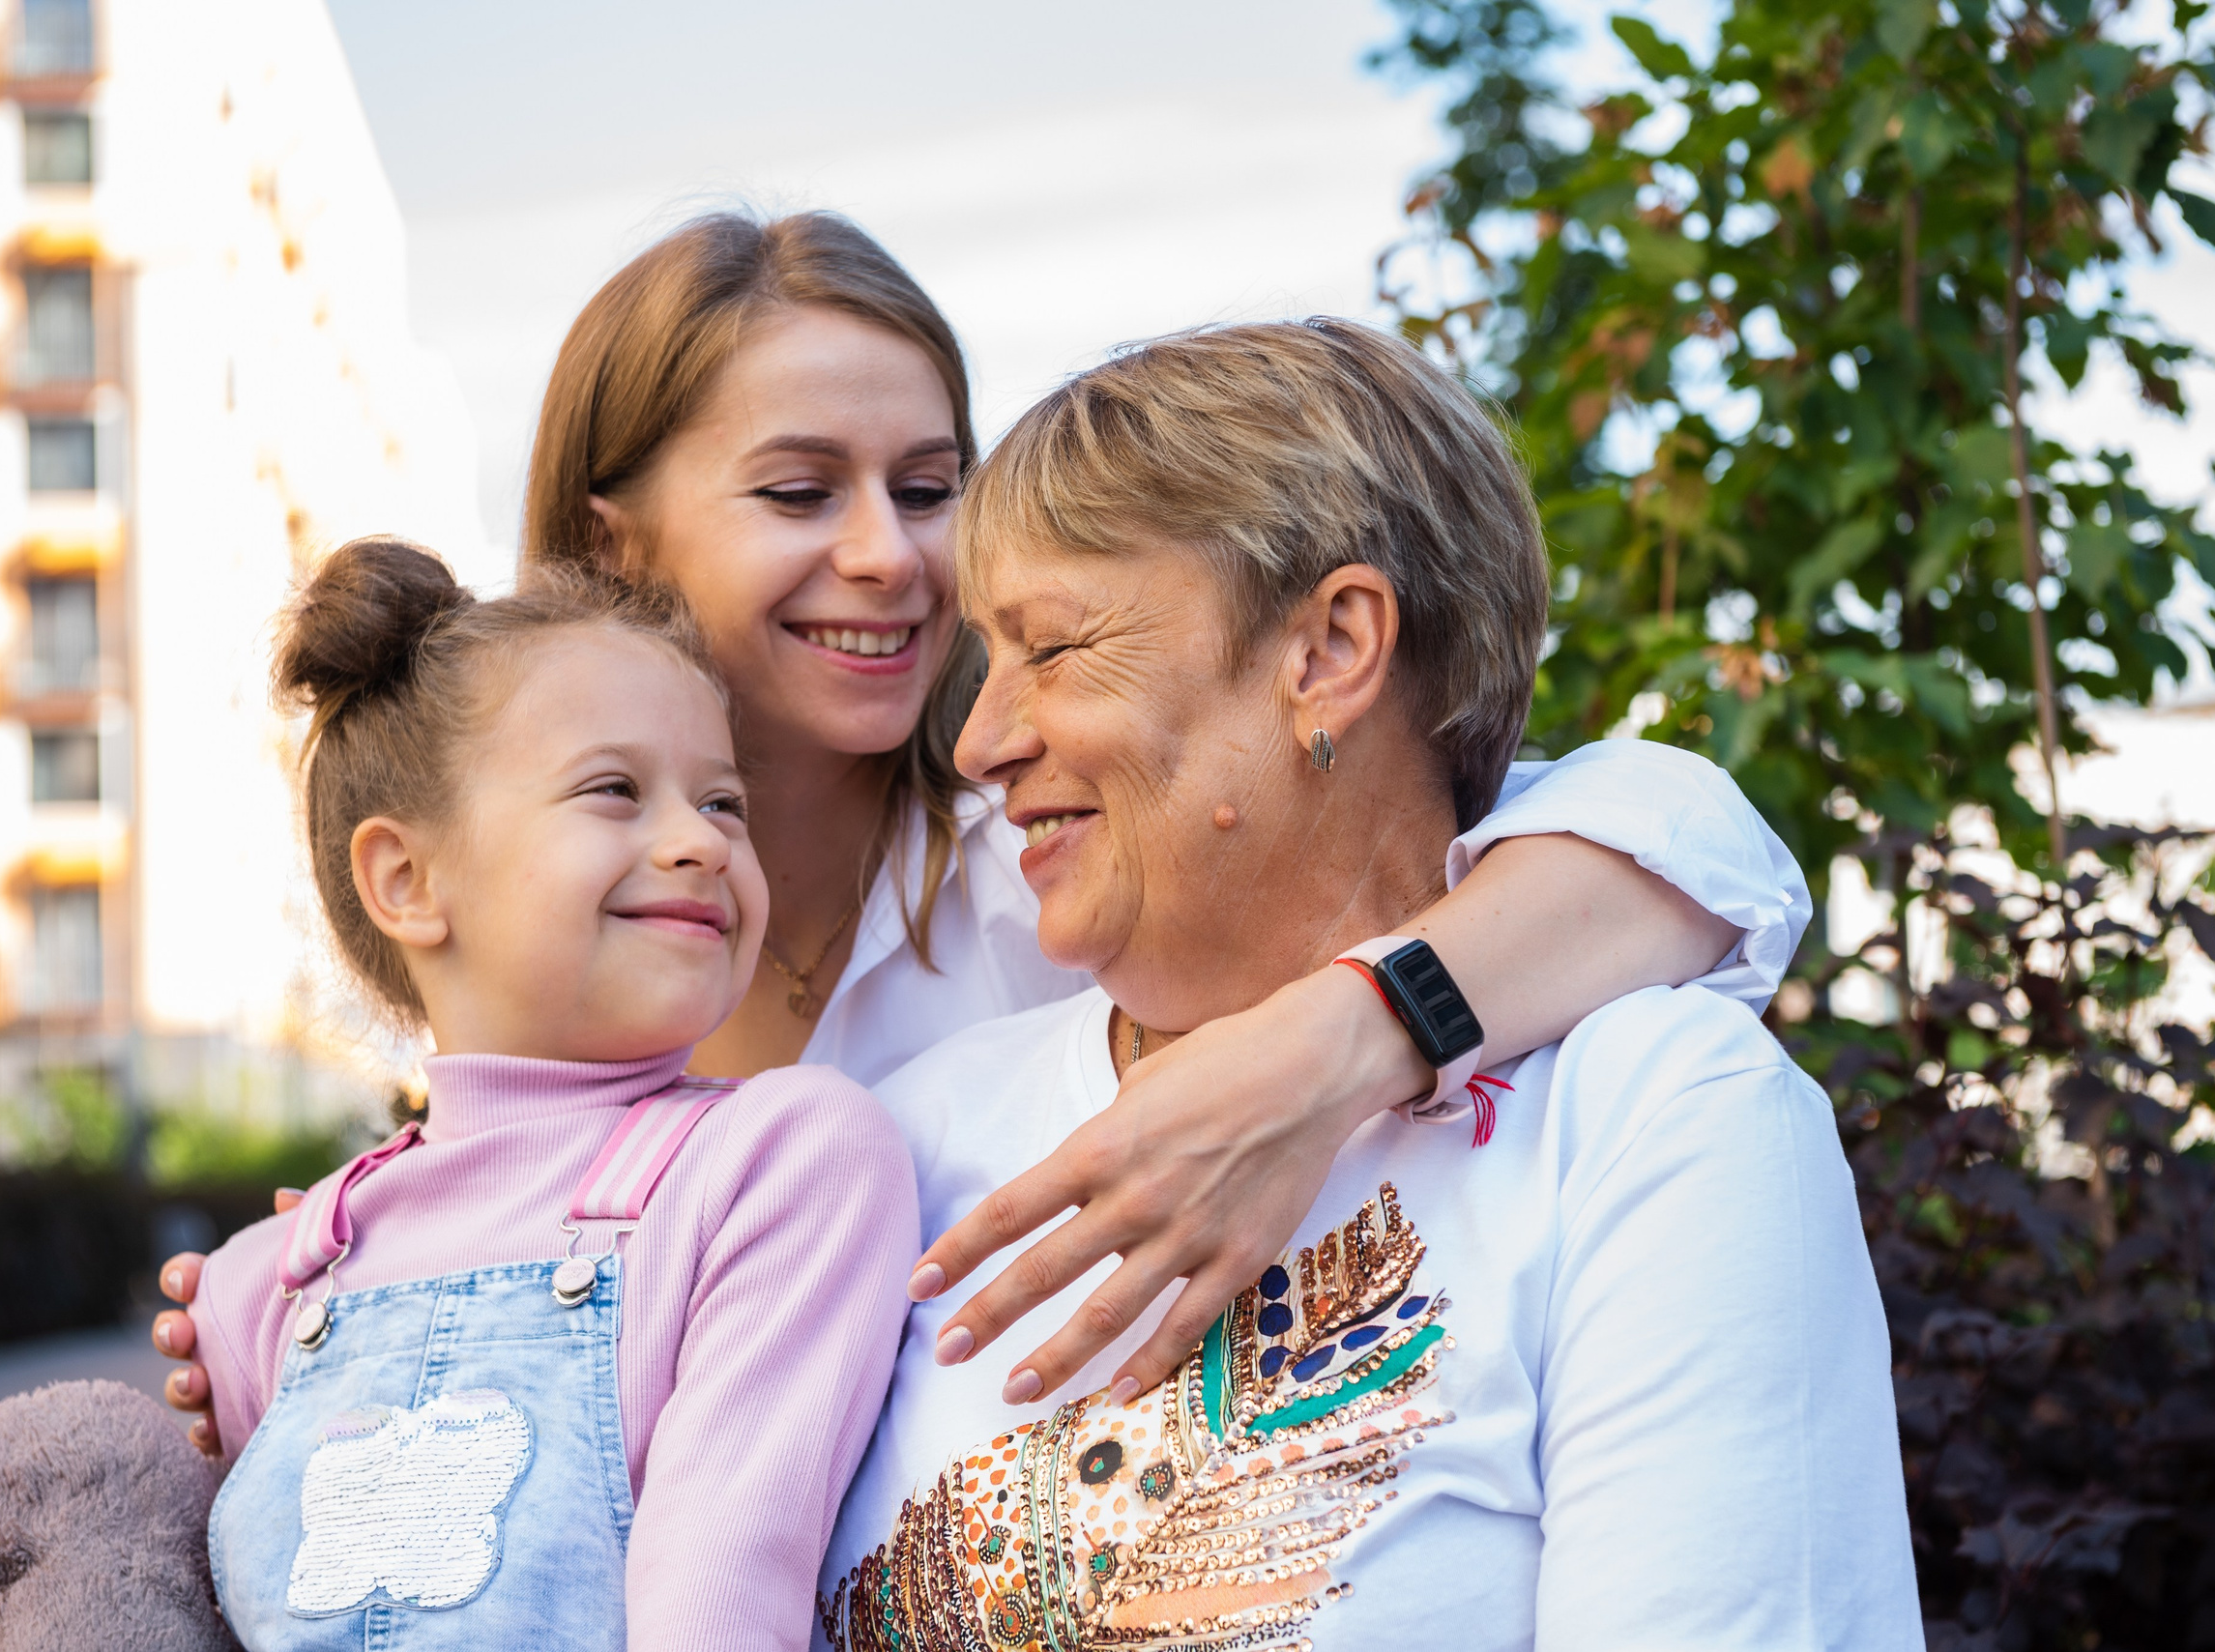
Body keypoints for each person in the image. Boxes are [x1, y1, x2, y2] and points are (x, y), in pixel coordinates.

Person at [157, 211, 1807, 1436]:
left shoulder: (1061, 864)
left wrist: (1343, 1035)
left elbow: (1691, 844)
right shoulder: (539, 916)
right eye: (799, 491)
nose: (891, 557)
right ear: (616, 545)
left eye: (930, 486)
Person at [819, 321, 1917, 1650]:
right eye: (984, 664)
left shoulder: (1653, 1121)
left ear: (1330, 650)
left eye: (1051, 649)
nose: (983, 741)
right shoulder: (907, 1136)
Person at [188, 539, 915, 1648]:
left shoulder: (783, 1158)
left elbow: (721, 1587)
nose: (700, 841)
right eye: (614, 789)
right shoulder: (270, 1279)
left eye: (724, 802)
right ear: (406, 880)